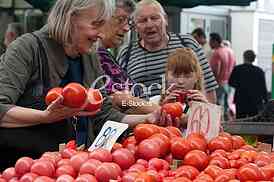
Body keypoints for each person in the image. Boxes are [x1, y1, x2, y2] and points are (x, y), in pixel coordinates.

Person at [0, 0, 164, 170]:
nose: (101, 34)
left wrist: (147, 119)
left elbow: (104, 115)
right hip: (25, 168)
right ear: (70, 18)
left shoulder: (90, 57)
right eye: (96, 24)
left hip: (75, 168)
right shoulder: (26, 48)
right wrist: (44, 116)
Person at [117, 0, 218, 104]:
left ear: (165, 19)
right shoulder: (126, 53)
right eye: (142, 20)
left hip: (188, 116)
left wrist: (206, 112)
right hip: (142, 119)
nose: (149, 24)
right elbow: (120, 97)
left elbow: (209, 89)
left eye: (155, 18)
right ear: (135, 26)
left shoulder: (187, 43)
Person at [96, 0, 159, 114]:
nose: (126, 28)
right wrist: (161, 111)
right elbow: (120, 101)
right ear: (102, 18)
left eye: (128, 22)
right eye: (120, 20)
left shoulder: (105, 55)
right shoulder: (93, 56)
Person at [159, 48, 208, 130]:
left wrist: (207, 110)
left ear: (197, 77)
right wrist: (161, 109)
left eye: (187, 76)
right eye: (175, 75)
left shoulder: (203, 104)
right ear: (166, 76)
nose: (180, 81)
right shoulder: (153, 102)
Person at [229, 50, 268, 118]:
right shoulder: (259, 71)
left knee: (240, 120)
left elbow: (231, 82)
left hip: (241, 99)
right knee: (253, 121)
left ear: (244, 57)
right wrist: (265, 100)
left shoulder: (237, 69)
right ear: (254, 59)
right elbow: (263, 88)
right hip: (255, 101)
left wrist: (240, 86)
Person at [209, 32, 236, 120]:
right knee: (227, 105)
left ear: (215, 41)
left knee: (218, 106)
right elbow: (234, 65)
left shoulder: (217, 53)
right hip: (229, 83)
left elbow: (215, 70)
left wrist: (212, 84)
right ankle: (229, 126)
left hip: (219, 83)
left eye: (210, 41)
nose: (209, 44)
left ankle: (220, 126)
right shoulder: (230, 51)